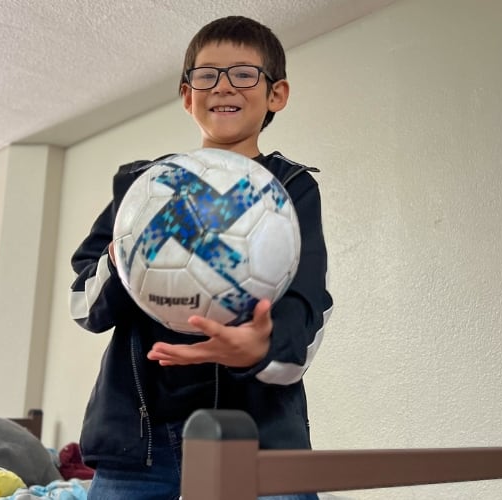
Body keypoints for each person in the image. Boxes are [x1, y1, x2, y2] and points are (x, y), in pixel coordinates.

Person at [70, 15, 333, 500]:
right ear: (187, 95)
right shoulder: (143, 188)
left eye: (244, 73)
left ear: (277, 94)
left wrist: (262, 348)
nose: (223, 86)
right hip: (139, 448)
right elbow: (85, 305)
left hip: (260, 443)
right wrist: (123, 260)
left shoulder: (292, 189)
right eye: (207, 75)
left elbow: (307, 303)